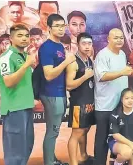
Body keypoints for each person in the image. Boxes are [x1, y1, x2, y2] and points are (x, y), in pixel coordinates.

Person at [39, 14, 75, 165]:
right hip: (51, 94)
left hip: (60, 93)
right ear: (48, 28)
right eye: (57, 26)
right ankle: (49, 162)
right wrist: (67, 61)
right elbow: (48, 75)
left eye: (63, 26)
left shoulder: (60, 45)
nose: (61, 29)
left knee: (54, 130)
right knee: (52, 131)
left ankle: (52, 159)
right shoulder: (46, 47)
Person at [0, 24, 36, 165]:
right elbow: (8, 81)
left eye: (26, 35)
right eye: (20, 35)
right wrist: (26, 65)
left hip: (26, 106)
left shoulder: (25, 56)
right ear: (11, 38)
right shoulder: (6, 57)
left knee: (26, 146)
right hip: (13, 108)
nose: (24, 38)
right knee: (15, 150)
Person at [93, 28, 131, 165]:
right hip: (105, 106)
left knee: (119, 138)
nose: (119, 40)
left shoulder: (122, 54)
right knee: (102, 138)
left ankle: (117, 162)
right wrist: (122, 72)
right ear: (108, 39)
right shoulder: (102, 55)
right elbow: (102, 76)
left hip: (119, 106)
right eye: (116, 37)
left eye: (121, 37)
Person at [66, 32, 95, 165]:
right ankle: (73, 162)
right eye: (84, 43)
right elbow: (69, 85)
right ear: (77, 44)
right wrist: (84, 77)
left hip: (89, 102)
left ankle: (83, 156)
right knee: (76, 133)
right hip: (78, 104)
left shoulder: (89, 60)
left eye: (89, 43)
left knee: (85, 129)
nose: (87, 46)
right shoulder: (74, 62)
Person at [108, 88, 133, 165]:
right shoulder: (115, 114)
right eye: (127, 98)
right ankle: (117, 162)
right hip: (117, 142)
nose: (130, 100)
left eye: (132, 98)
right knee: (128, 152)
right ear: (122, 100)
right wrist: (132, 145)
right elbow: (115, 135)